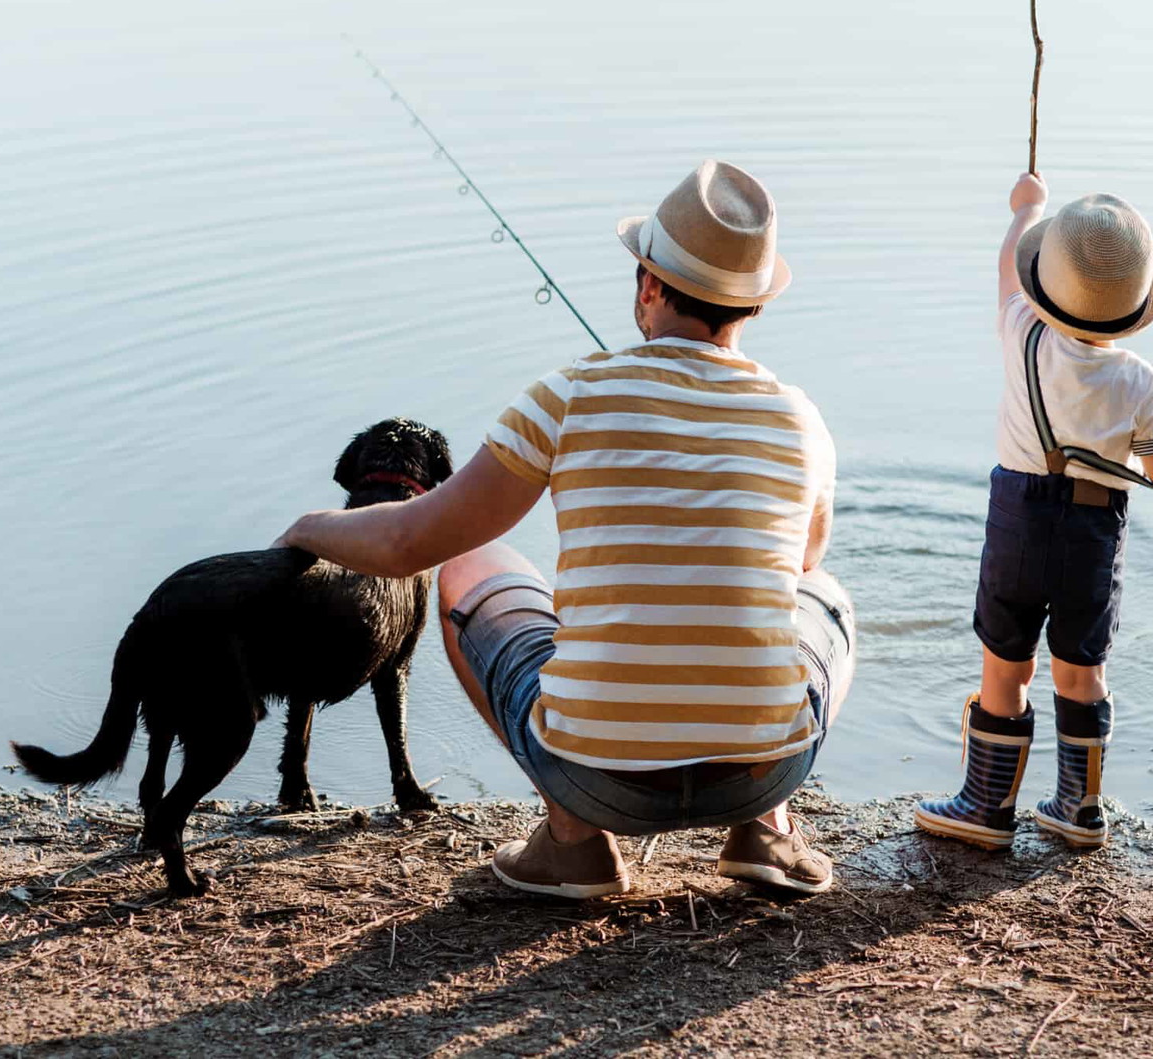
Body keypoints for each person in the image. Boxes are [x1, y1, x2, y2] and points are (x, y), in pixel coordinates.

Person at [277, 160, 853, 898]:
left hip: (592, 776)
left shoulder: (571, 392)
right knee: (823, 594)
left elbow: (408, 544)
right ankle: (766, 829)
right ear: (753, 306)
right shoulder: (800, 418)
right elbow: (802, 562)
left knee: (467, 564)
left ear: (649, 284)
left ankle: (574, 842)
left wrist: (309, 527)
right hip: (761, 767)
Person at [914, 170, 1153, 851]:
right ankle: (1079, 811)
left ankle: (986, 808)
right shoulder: (1141, 384)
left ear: (1047, 282)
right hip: (1094, 530)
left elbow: (1005, 271)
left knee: (1004, 664)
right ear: (1133, 305)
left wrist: (1027, 207)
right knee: (1081, 668)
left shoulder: (1022, 332)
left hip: (1016, 518)